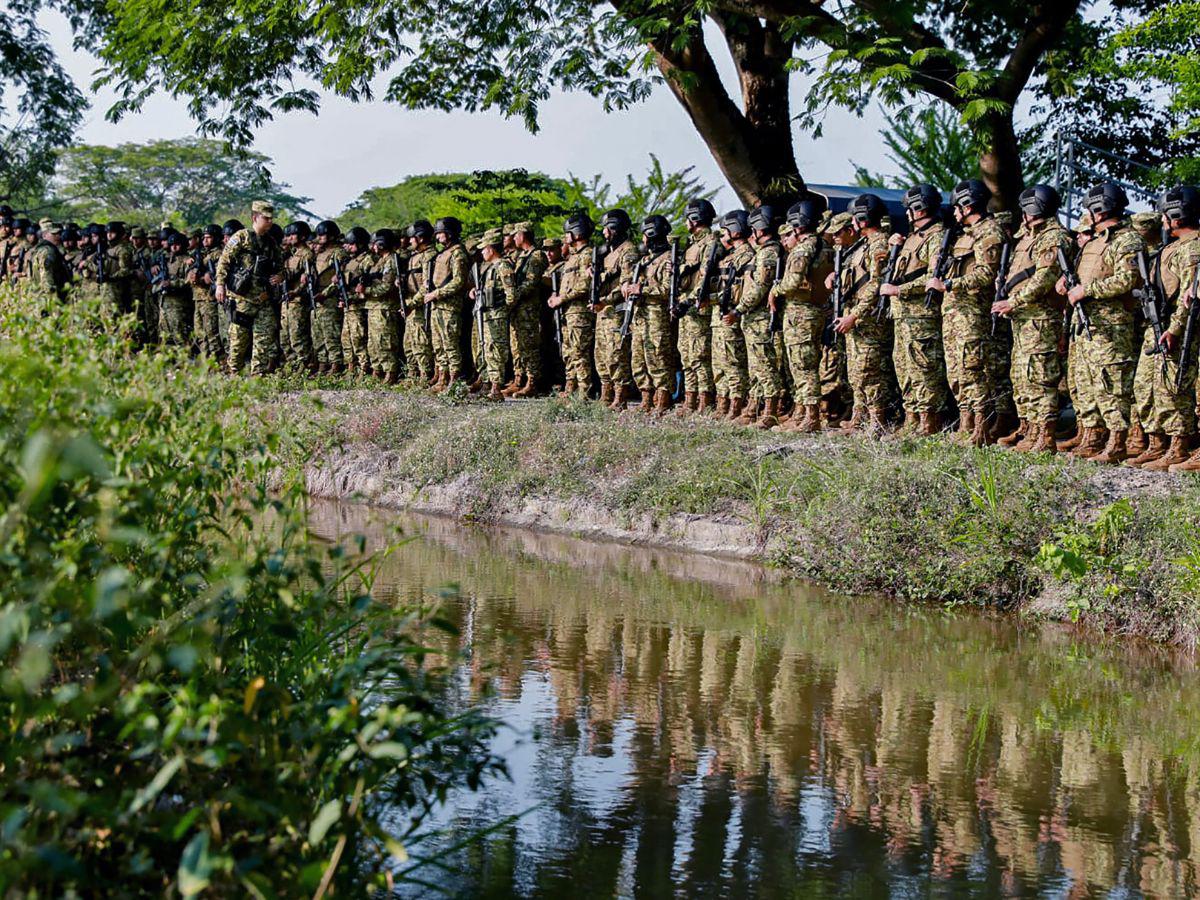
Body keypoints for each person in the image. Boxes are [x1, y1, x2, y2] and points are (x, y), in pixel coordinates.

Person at [1056, 182, 1146, 463]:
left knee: (1112, 384)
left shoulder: (1128, 241)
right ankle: (1092, 436)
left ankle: (1118, 442)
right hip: (1085, 325)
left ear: (1100, 209)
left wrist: (1088, 290)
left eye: (1090, 210)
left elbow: (1128, 280)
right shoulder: (1095, 241)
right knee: (1085, 382)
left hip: (1111, 327)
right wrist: (1067, 283)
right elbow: (1084, 276)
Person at [990, 185, 1071, 454]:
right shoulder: (1028, 238)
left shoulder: (1054, 238)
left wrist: (1013, 300)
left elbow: (1043, 279)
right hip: (1023, 319)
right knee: (1022, 377)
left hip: (1040, 318)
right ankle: (1030, 429)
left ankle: (1044, 436)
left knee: (1039, 377)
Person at [927, 180, 1006, 445]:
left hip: (972, 313)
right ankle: (966, 422)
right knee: (956, 372)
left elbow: (986, 273)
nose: (954, 212)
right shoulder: (963, 233)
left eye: (957, 206)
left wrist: (949, 284)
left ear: (968, 204)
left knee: (973, 370)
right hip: (954, 313)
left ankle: (981, 426)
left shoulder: (989, 232)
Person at [1128, 186, 1200, 470]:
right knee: (1148, 386)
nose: (1161, 221)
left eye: (1165, 215)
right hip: (1159, 324)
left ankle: (1178, 445)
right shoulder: (1172, 247)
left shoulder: (1192, 248)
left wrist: (1175, 329)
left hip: (1177, 328)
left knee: (1174, 386)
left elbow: (1189, 295)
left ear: (1177, 216)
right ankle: (1158, 443)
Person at [880, 184, 948, 436]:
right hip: (903, 316)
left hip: (921, 315)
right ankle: (912, 416)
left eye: (910, 208)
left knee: (924, 368)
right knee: (904, 367)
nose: (907, 213)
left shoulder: (936, 236)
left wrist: (899, 291)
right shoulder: (912, 237)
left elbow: (932, 278)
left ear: (919, 209)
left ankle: (930, 420)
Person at [830, 194, 892, 436]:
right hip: (855, 317)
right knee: (857, 372)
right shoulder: (862, 246)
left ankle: (877, 422)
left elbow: (875, 285)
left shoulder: (878, 245)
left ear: (863, 218)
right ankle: (859, 417)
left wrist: (854, 315)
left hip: (867, 319)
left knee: (870, 372)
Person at [772, 198, 834, 432]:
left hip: (800, 313)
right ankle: (802, 413)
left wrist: (775, 289)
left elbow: (793, 282)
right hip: (817, 310)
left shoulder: (803, 249)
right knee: (807, 364)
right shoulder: (826, 246)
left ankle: (811, 418)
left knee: (803, 366)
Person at [728, 205, 784, 428]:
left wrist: (739, 308)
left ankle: (769, 413)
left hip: (759, 316)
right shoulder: (763, 251)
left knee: (765, 365)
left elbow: (761, 285)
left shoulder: (769, 252)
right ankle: (754, 407)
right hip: (752, 317)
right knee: (756, 366)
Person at [215, 200, 284, 376]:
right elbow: (224, 261)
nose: (270, 222)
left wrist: (281, 276)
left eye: (271, 219)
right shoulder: (241, 237)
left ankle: (257, 375)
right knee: (238, 339)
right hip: (242, 299)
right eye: (266, 218)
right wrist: (220, 285)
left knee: (264, 336)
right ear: (255, 217)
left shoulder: (271, 243)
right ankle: (234, 372)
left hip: (263, 299)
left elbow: (281, 267)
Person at [624, 214, 676, 415]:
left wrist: (642, 289)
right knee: (638, 358)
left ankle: (663, 400)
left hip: (656, 316)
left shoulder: (667, 260)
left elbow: (666, 289)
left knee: (658, 357)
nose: (642, 240)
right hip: (640, 317)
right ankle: (646, 398)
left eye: (645, 235)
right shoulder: (644, 261)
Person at [676, 198, 721, 414]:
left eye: (687, 218)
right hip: (687, 308)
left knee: (699, 355)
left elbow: (705, 278)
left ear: (695, 219)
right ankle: (690, 399)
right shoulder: (693, 244)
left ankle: (704, 400)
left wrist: (688, 300)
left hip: (697, 308)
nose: (686, 222)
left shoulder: (710, 243)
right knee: (686, 354)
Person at [548, 213, 597, 398]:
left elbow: (584, 285)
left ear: (576, 233)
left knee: (579, 352)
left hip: (579, 312)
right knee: (568, 352)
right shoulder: (572, 257)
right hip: (568, 312)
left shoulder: (586, 255)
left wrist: (562, 298)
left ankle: (584, 391)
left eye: (568, 233)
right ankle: (571, 387)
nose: (565, 237)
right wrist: (557, 296)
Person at [594, 209, 639, 408]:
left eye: (607, 228)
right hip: (603, 311)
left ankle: (620, 395)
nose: (604, 233)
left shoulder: (628, 251)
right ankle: (606, 392)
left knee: (616, 353)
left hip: (616, 311)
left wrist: (606, 300)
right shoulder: (609, 253)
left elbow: (625, 285)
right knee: (601, 354)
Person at [713, 210, 753, 420]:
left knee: (733, 363)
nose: (722, 236)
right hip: (719, 317)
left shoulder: (746, 255)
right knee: (719, 363)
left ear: (735, 231)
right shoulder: (729, 257)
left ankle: (736, 404)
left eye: (725, 231)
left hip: (732, 316)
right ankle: (723, 403)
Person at [425, 217, 470, 392]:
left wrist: (437, 293)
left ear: (449, 233)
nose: (437, 237)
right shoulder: (443, 252)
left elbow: (459, 281)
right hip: (437, 306)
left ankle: (455, 379)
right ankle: (442, 378)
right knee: (439, 345)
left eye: (440, 233)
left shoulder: (458, 253)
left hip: (449, 306)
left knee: (450, 344)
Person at [471, 228, 516, 400]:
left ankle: (496, 388)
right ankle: (488, 384)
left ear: (491, 249)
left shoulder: (502, 266)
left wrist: (503, 311)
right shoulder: (490, 268)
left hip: (497, 314)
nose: (482, 252)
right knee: (486, 349)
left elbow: (511, 293)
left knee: (496, 350)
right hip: (487, 313)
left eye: (484, 248)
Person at [507, 222, 548, 396]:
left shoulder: (536, 255)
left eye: (516, 235)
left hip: (529, 309)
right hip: (519, 308)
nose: (514, 238)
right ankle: (519, 378)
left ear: (523, 235)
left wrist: (513, 295)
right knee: (517, 345)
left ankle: (532, 382)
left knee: (530, 345)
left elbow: (531, 282)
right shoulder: (522, 256)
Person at [361, 229, 404, 384]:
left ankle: (390, 372)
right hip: (374, 306)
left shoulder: (391, 260)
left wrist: (366, 291)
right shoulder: (380, 260)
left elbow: (387, 287)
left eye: (376, 244)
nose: (373, 247)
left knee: (385, 341)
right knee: (373, 342)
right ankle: (377, 369)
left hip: (384, 307)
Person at [310, 220, 348, 375]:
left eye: (322, 235)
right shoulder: (319, 253)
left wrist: (325, 294)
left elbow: (339, 278)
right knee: (318, 335)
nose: (319, 238)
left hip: (329, 299)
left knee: (331, 333)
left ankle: (336, 364)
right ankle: (322, 363)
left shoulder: (338, 253)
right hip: (316, 298)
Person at [403, 220, 438, 384]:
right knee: (409, 342)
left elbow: (426, 285)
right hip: (412, 303)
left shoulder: (429, 255)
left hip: (421, 305)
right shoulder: (414, 256)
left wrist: (411, 303)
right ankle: (412, 373)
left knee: (421, 343)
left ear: (421, 238)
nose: (409, 241)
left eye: (412, 238)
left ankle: (425, 374)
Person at [280, 221, 316, 372]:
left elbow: (308, 278)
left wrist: (297, 291)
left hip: (298, 301)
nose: (290, 237)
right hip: (287, 300)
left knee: (297, 336)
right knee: (284, 337)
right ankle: (293, 365)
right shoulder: (291, 254)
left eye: (293, 235)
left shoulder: (307, 254)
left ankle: (306, 366)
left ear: (302, 236)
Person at [190, 223, 226, 364]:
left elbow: (218, 275)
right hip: (198, 298)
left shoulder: (219, 254)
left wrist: (205, 278)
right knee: (200, 333)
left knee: (212, 333)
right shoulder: (200, 253)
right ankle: (207, 361)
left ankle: (219, 361)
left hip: (210, 299)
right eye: (204, 237)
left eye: (209, 237)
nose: (205, 240)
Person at [341, 226, 372, 375]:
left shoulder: (367, 260)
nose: (350, 247)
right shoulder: (350, 261)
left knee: (358, 337)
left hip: (358, 305)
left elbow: (365, 284)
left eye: (352, 244)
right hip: (348, 305)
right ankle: (351, 366)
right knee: (346, 338)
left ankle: (364, 367)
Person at [158, 230, 194, 348]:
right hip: (164, 305)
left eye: (177, 244)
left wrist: (172, 284)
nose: (174, 247)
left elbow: (189, 281)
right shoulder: (166, 259)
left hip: (180, 306)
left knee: (181, 339)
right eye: (172, 244)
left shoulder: (187, 260)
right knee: (165, 339)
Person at [25, 219, 71, 303]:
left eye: (59, 233)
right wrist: (52, 300)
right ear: (44, 235)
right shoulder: (48, 251)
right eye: (54, 234)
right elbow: (47, 278)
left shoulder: (39, 250)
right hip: (48, 299)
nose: (58, 236)